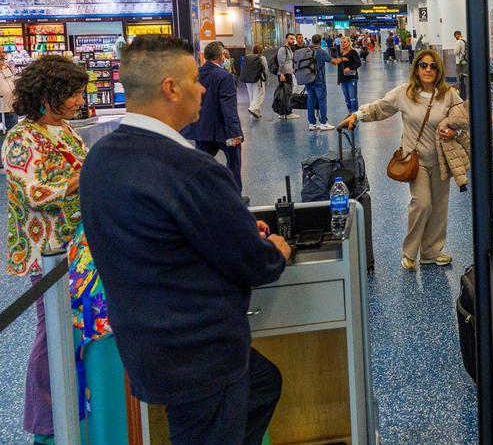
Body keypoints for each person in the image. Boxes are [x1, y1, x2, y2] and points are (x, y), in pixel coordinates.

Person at [81, 35, 290, 445]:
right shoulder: (190, 170)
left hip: (146, 342)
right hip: (201, 351)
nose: (202, 88)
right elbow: (253, 263)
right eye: (195, 80)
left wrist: (229, 226)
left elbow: (156, 234)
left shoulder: (100, 159)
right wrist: (274, 251)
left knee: (262, 384)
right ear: (170, 88)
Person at [2, 55, 89, 444]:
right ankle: (43, 423)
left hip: (76, 244)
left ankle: (69, 407)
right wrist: (78, 180)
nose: (78, 100)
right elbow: (35, 192)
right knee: (49, 332)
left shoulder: (66, 129)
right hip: (47, 249)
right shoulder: (20, 139)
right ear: (47, 94)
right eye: (71, 93)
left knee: (70, 329)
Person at [341, 48, 464, 271]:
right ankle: (410, 252)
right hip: (415, 161)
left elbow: (464, 120)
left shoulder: (449, 95)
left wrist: (455, 133)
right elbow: (380, 107)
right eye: (423, 65)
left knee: (439, 207)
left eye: (433, 66)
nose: (428, 70)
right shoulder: (405, 92)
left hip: (441, 160)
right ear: (416, 68)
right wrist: (357, 115)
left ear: (439, 70)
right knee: (422, 203)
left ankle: (431, 252)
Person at [182, 41, 244, 192]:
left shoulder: (194, 75)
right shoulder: (224, 76)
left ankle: (200, 194)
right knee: (233, 163)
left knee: (201, 165)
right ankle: (234, 195)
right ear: (221, 56)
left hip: (202, 129)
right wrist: (235, 132)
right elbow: (228, 107)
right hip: (224, 131)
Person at [297, 34, 335, 132]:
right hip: (319, 80)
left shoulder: (306, 50)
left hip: (308, 79)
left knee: (310, 101)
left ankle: (312, 124)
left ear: (312, 41)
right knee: (322, 101)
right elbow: (333, 61)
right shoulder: (321, 52)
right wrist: (342, 59)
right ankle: (323, 123)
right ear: (320, 41)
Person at [239, 45, 268, 119]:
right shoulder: (262, 58)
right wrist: (266, 79)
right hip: (258, 79)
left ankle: (256, 113)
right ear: (261, 51)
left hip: (248, 79)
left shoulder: (247, 57)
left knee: (251, 95)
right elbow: (265, 70)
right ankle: (253, 108)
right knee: (260, 94)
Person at [276, 34, 300, 121]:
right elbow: (281, 63)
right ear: (286, 39)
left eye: (293, 39)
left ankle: (284, 112)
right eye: (291, 39)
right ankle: (287, 112)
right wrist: (282, 74)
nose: (293, 40)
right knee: (285, 94)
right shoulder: (282, 49)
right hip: (284, 75)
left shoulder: (289, 49)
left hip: (289, 74)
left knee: (287, 93)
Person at [335, 36, 362, 114]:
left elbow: (358, 63)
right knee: (346, 98)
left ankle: (355, 114)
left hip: (352, 78)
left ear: (349, 43)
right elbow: (339, 67)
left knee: (352, 97)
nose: (343, 44)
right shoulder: (340, 54)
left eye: (344, 42)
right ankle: (350, 113)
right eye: (341, 42)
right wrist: (338, 79)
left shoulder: (353, 52)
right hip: (343, 79)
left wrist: (350, 68)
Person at [0, 49, 19, 133]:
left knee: (15, 135)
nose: (2, 55)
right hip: (1, 108)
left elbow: (12, 82)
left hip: (10, 108)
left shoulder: (6, 67)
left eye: (2, 52)